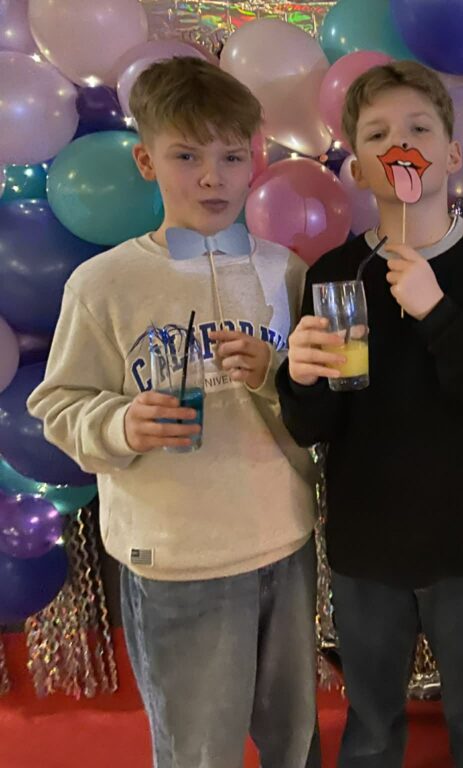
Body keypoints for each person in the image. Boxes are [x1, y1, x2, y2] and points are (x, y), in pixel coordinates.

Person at [27, 57, 320, 768]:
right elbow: (58, 403)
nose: (212, 178)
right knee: (198, 750)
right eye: (187, 156)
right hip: (175, 557)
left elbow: (313, 403)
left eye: (230, 156)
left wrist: (275, 375)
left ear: (255, 162)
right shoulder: (104, 283)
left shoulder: (284, 270)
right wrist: (120, 425)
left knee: (295, 740)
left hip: (284, 539)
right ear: (146, 161)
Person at [275, 60, 463, 768]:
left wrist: (437, 310)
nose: (401, 144)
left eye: (419, 129)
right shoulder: (335, 273)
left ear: (451, 156)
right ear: (359, 169)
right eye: (377, 135)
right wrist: (299, 378)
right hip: (367, 546)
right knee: (369, 727)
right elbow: (312, 427)